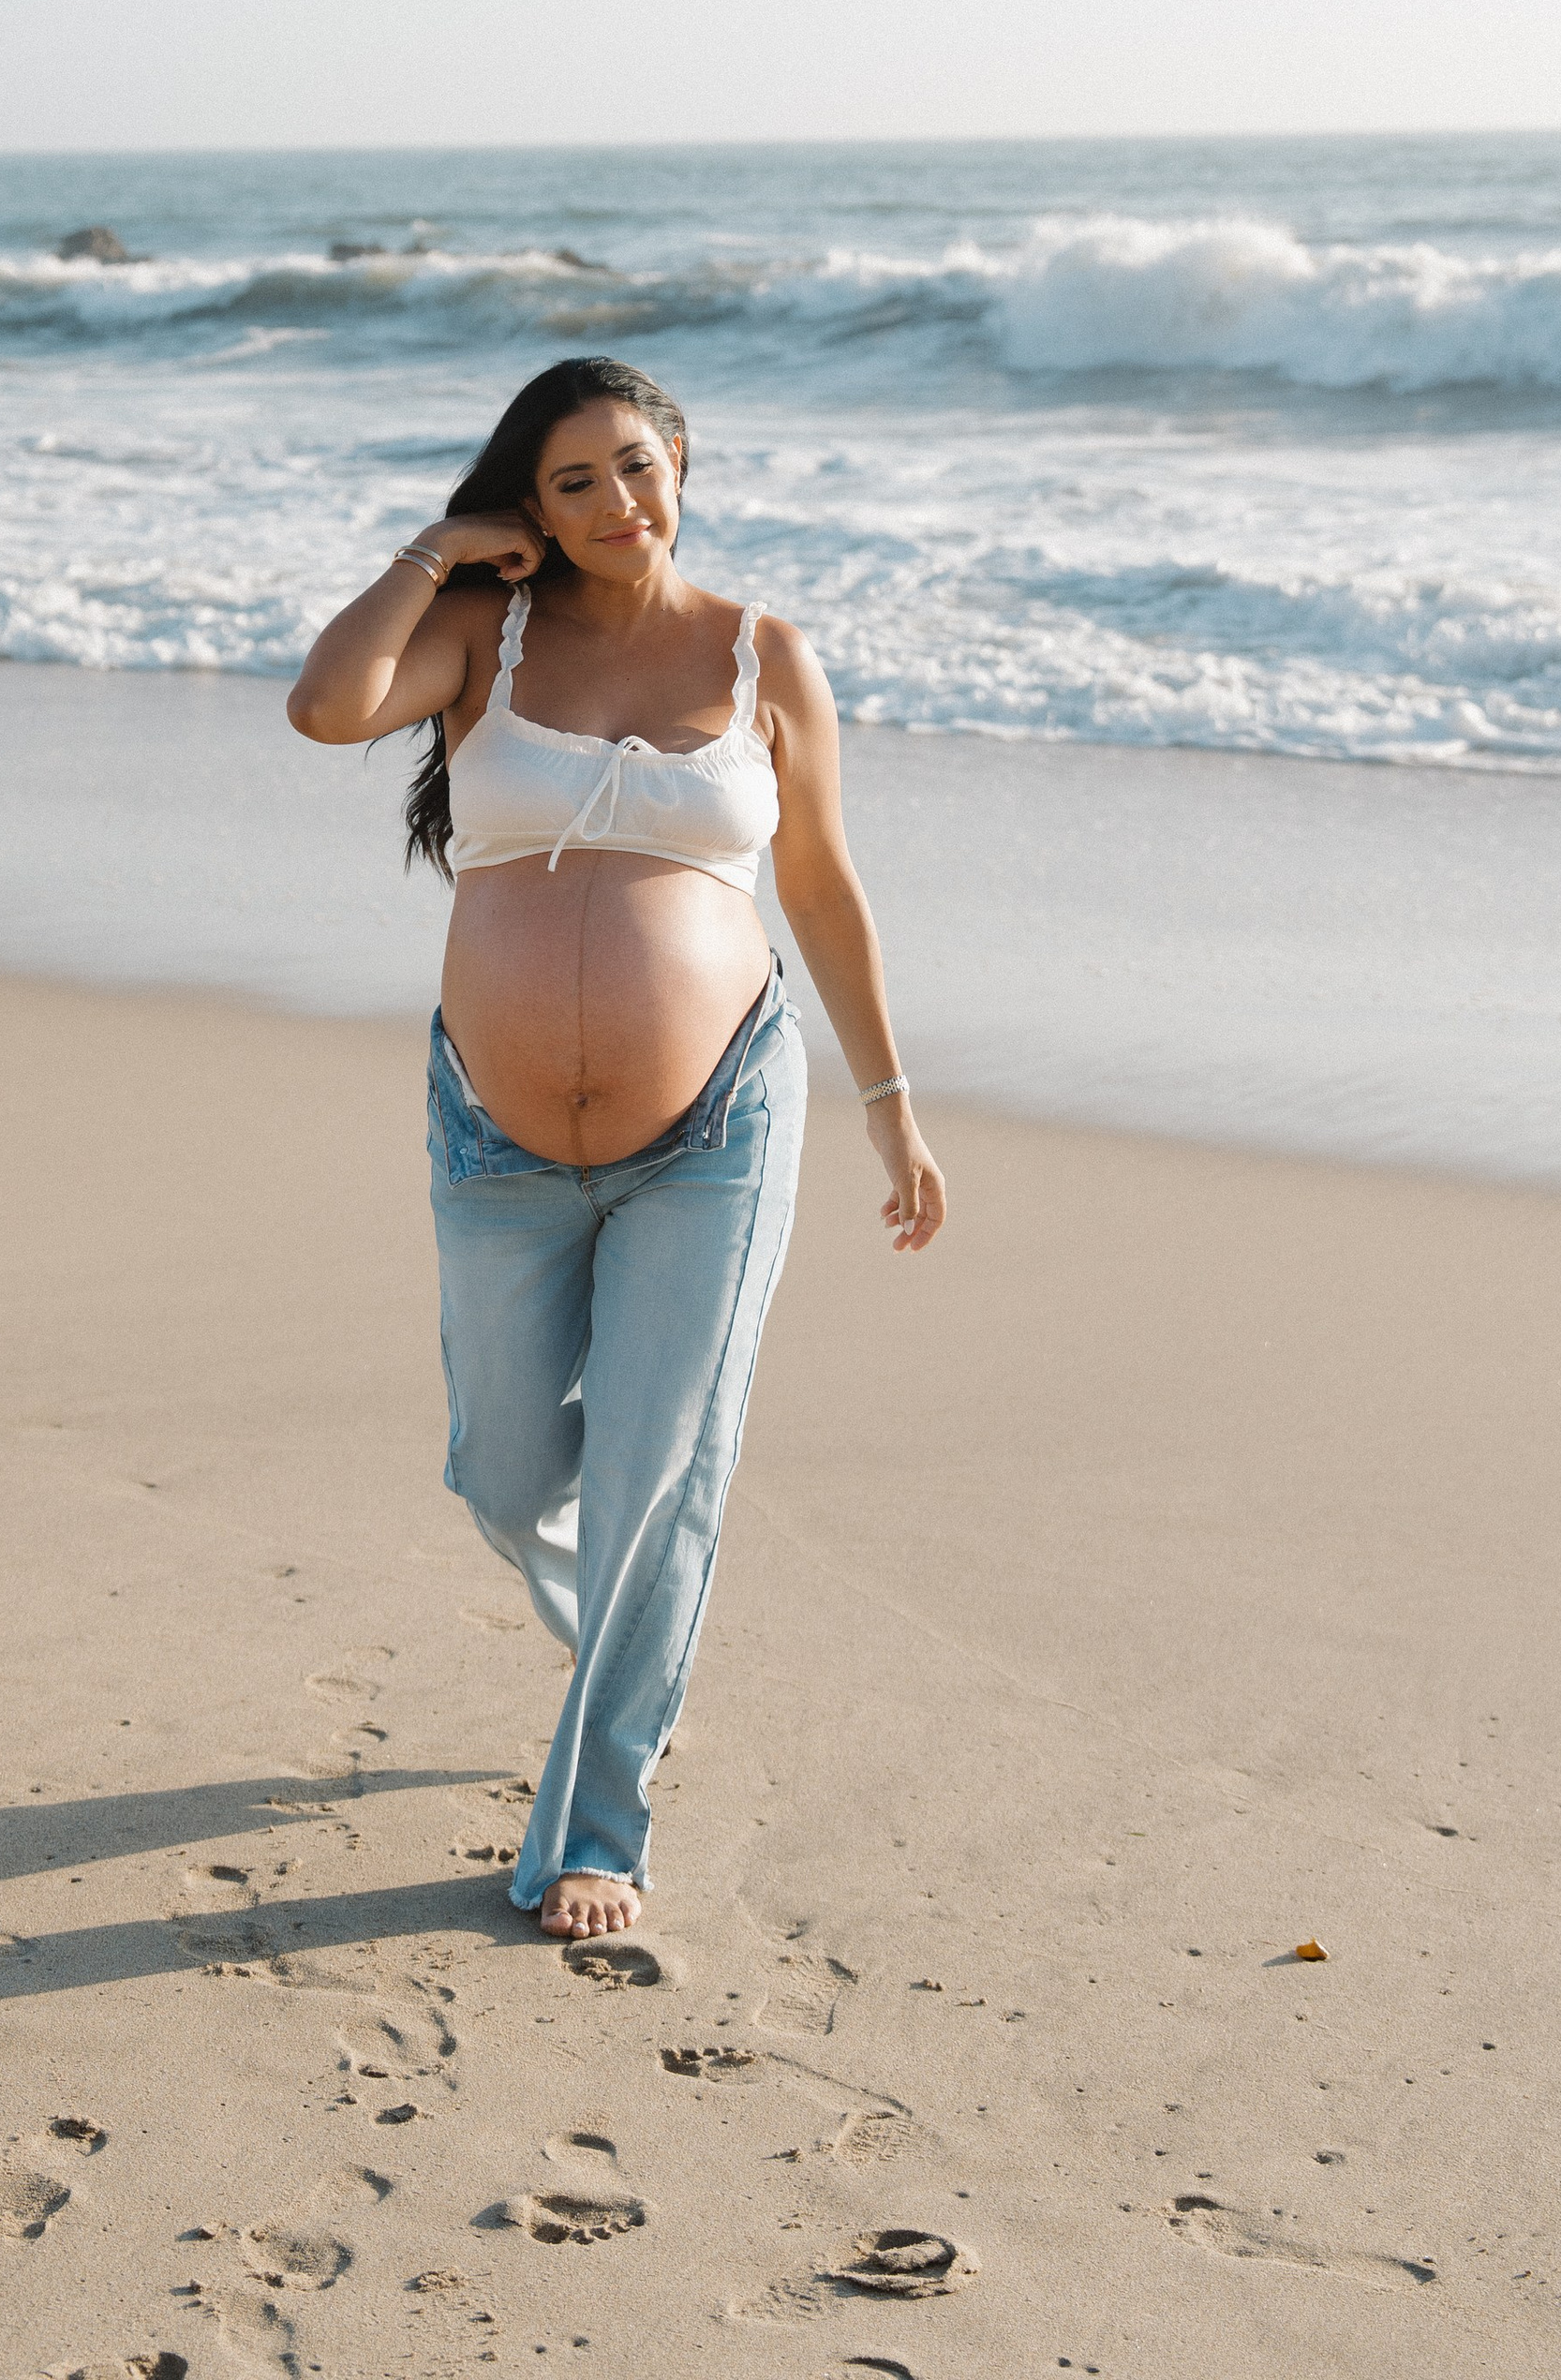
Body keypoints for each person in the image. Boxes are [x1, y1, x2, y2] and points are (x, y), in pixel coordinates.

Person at [287, 355, 945, 1941]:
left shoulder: (763, 654)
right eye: (573, 480)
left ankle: (594, 1831)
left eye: (637, 467)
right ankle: (631, 1635)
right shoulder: (479, 638)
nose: (614, 504)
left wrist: (891, 1102)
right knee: (505, 1467)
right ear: (530, 498)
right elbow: (323, 708)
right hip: (495, 1134)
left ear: (685, 464)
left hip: (716, 1124)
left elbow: (825, 888)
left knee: (663, 1469)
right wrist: (437, 552)